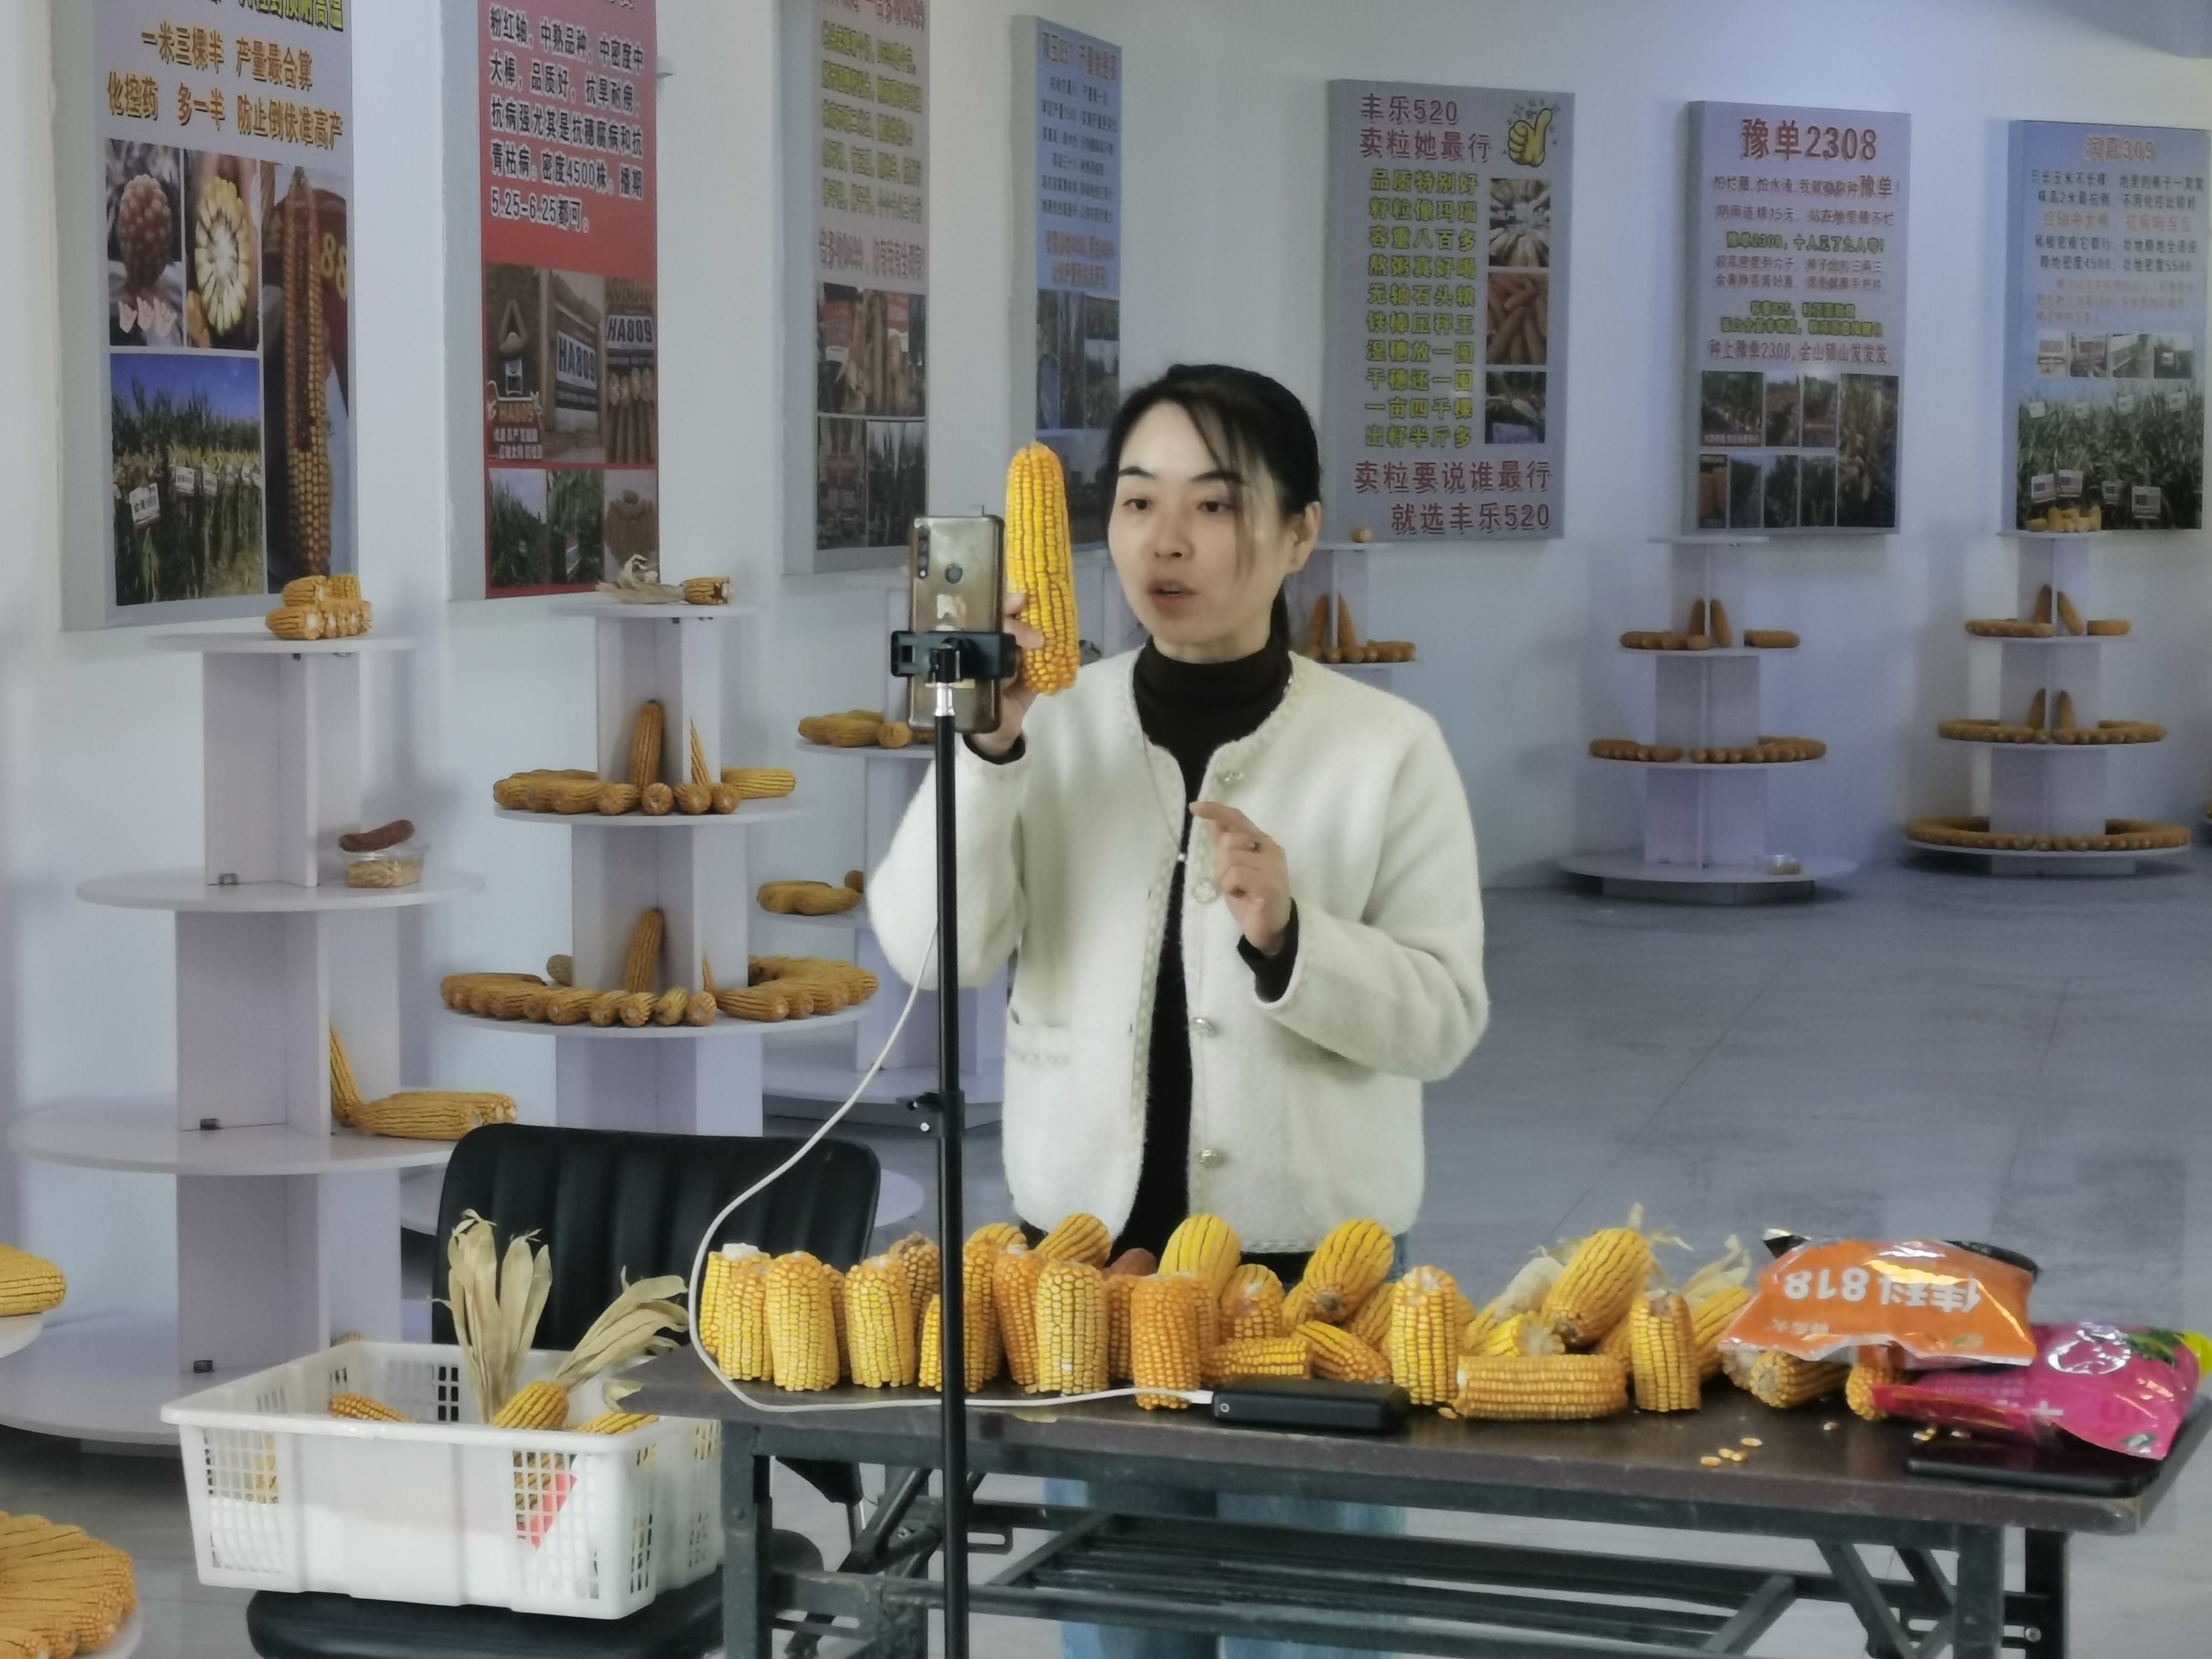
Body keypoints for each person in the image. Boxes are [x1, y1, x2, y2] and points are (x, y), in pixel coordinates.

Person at [870, 364, 1488, 1659]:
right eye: (1138, 501)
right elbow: (933, 948)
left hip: (1302, 1303)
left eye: (1214, 505)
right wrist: (986, 751)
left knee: (1316, 1634)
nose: (1165, 540)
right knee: (1121, 1633)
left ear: (1299, 534)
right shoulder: (1049, 724)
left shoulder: (1390, 749)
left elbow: (1444, 1017)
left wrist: (1293, 938)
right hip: (1088, 1293)